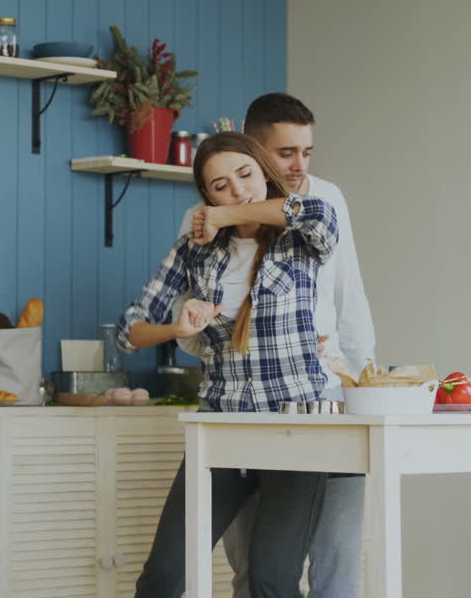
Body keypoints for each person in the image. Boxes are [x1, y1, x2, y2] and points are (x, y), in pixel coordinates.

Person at [117, 131, 339, 598]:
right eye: (221, 186)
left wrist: (222, 215)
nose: (238, 190)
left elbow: (310, 211)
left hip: (296, 428)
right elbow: (129, 330)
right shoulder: (193, 250)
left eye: (245, 174)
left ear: (264, 172)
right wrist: (176, 328)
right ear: (206, 194)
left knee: (270, 580)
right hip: (222, 428)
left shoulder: (302, 234)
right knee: (163, 576)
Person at [177, 93, 374, 598]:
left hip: (329, 394)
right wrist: (227, 342)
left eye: (306, 152)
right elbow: (191, 323)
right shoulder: (205, 218)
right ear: (251, 148)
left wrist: (361, 383)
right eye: (285, 153)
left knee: (337, 563)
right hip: (245, 406)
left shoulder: (325, 200)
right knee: (255, 569)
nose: (298, 165)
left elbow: (349, 294)